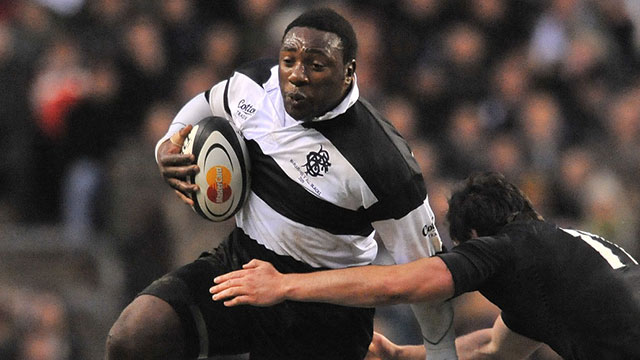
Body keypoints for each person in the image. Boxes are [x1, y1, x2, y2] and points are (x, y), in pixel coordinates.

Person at [106, 8, 458, 360]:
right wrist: (167, 145)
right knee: (136, 336)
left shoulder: (382, 160)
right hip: (242, 267)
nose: (297, 76)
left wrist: (441, 353)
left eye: (316, 65)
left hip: (324, 310)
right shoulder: (256, 85)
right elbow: (207, 102)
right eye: (289, 60)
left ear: (349, 71)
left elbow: (428, 274)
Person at [211, 172, 640, 360]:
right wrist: (402, 355)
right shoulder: (560, 256)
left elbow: (400, 285)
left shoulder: (506, 247)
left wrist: (286, 285)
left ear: (472, 238)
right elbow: (492, 349)